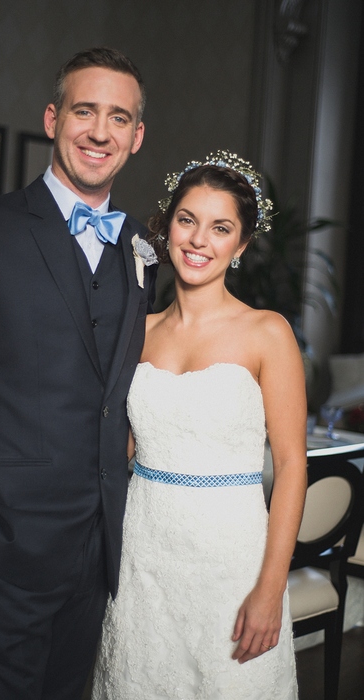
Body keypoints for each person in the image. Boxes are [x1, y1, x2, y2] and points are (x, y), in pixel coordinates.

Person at [0, 47, 156, 700]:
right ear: (53, 118)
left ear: (136, 136)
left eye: (117, 117)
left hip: (98, 553)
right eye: (84, 111)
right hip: (3, 553)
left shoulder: (141, 248)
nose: (99, 132)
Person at [91, 151, 307, 699]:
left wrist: (269, 588)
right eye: (187, 220)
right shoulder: (136, 330)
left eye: (220, 228)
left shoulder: (268, 333)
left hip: (232, 562)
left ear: (242, 244)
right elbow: (121, 446)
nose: (198, 240)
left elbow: (290, 465)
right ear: (166, 227)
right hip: (143, 558)